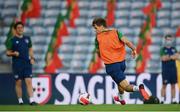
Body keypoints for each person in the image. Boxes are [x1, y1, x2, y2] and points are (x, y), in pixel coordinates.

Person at [92, 17, 149, 105]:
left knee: (126, 87)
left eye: (96, 28)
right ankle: (120, 98)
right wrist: (133, 49)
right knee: (120, 82)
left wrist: (103, 54)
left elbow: (98, 52)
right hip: (122, 63)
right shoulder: (116, 32)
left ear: (101, 26)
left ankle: (139, 88)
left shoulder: (98, 38)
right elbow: (126, 42)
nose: (95, 30)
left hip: (111, 65)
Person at [6, 21, 35, 105]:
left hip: (27, 63)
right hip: (17, 64)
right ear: (15, 30)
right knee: (18, 82)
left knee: (29, 81)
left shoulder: (27, 39)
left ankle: (32, 100)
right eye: (18, 28)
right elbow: (7, 53)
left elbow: (30, 49)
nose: (20, 29)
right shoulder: (12, 40)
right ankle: (20, 101)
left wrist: (32, 58)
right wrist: (13, 53)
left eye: (21, 28)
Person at [160, 34, 179, 104]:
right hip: (165, 70)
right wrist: (172, 57)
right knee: (164, 85)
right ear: (165, 40)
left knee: (173, 85)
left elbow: (178, 57)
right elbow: (163, 58)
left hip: (173, 69)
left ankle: (173, 100)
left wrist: (168, 57)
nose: (169, 41)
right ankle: (162, 99)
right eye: (167, 39)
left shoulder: (174, 49)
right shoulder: (163, 49)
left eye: (170, 40)